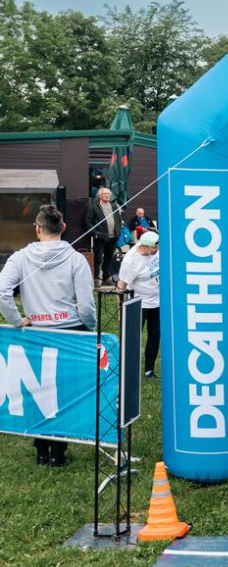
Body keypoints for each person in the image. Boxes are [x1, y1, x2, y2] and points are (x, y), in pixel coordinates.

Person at [0, 205, 96, 466]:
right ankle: (57, 454)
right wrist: (90, 327)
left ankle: (43, 452)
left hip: (38, 334)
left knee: (40, 393)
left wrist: (18, 321)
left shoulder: (19, 257)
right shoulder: (76, 259)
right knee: (64, 394)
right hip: (70, 333)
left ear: (37, 228)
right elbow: (86, 305)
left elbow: (2, 292)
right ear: (63, 228)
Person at [116, 230, 161, 378]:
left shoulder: (156, 252)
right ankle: (128, 371)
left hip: (158, 302)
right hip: (139, 304)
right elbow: (121, 286)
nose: (157, 250)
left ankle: (149, 369)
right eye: (154, 248)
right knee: (133, 338)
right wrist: (120, 310)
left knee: (155, 335)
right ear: (145, 246)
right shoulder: (131, 260)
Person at [83, 186, 123, 285]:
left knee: (109, 258)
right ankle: (96, 278)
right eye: (105, 194)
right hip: (100, 237)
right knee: (98, 258)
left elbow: (118, 220)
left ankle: (106, 277)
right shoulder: (94, 207)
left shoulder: (114, 206)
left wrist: (119, 230)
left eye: (108, 194)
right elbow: (88, 221)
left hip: (113, 237)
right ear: (100, 196)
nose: (107, 195)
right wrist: (95, 233)